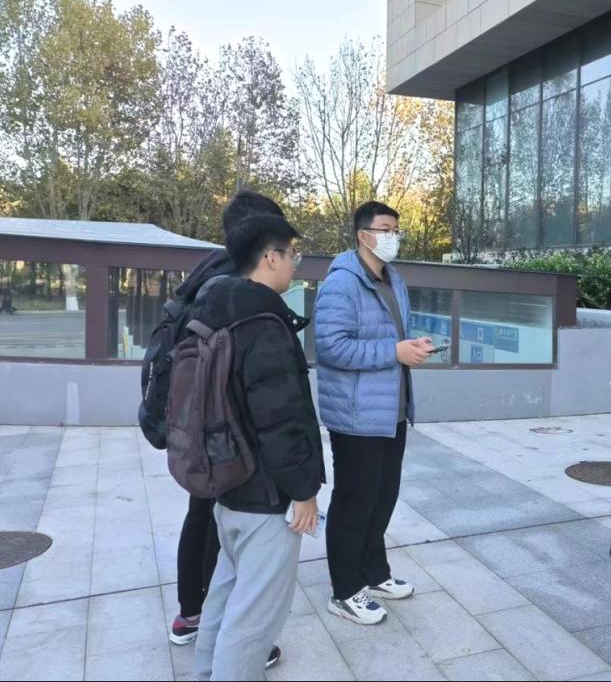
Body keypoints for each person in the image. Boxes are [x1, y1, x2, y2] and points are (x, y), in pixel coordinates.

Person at [140, 190, 287, 671]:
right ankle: (224, 631)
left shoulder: (205, 272)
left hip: (192, 422)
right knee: (223, 524)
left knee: (203, 514)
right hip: (219, 428)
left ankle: (191, 613)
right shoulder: (232, 284)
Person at [191, 212, 325, 682]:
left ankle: (205, 673)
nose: (293, 265)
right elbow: (281, 421)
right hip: (266, 498)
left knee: (224, 597)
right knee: (253, 622)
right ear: (270, 257)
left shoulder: (215, 311)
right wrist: (304, 491)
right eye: (292, 256)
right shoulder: (264, 325)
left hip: (228, 487)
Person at [314, 201, 435, 625]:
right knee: (354, 501)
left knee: (383, 496)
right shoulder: (341, 283)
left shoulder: (393, 279)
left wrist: (410, 346)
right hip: (355, 415)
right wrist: (394, 351)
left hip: (391, 410)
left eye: (396, 230)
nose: (393, 237)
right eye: (385, 229)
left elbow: (392, 338)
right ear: (363, 235)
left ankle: (374, 572)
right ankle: (345, 590)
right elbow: (331, 347)